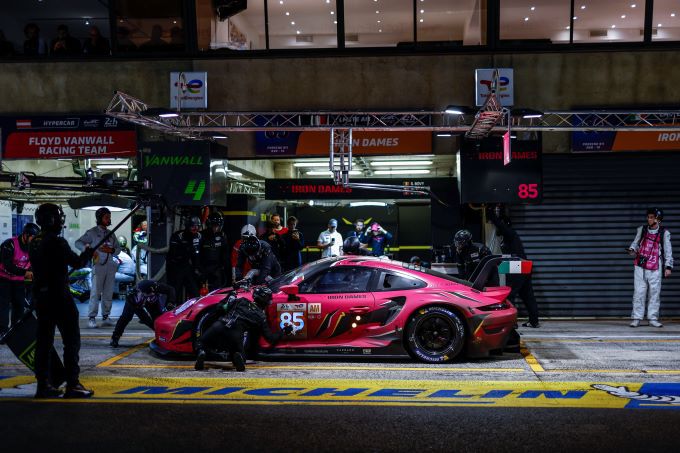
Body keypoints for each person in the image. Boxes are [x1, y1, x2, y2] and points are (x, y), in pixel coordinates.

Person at [29, 203, 94, 398]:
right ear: (52, 220)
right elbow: (77, 262)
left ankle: (43, 385)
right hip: (59, 297)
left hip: (41, 297)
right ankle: (72, 384)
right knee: (71, 341)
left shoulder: (34, 242)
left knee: (44, 342)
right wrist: (88, 254)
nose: (61, 222)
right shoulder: (57, 242)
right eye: (59, 218)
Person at [194, 287, 291, 371]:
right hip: (235, 333)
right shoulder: (261, 317)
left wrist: (228, 297)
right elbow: (270, 338)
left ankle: (202, 352)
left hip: (219, 325)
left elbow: (219, 308)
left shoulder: (241, 301)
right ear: (266, 302)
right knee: (240, 357)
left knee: (200, 343)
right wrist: (283, 331)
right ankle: (237, 355)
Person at [487, 205, 540, 328]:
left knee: (509, 294)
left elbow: (500, 226)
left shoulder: (510, 233)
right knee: (527, 294)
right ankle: (534, 321)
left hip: (518, 265)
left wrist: (491, 214)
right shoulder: (508, 237)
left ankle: (511, 322)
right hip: (523, 265)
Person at [627, 207, 673, 328]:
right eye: (648, 217)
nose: (649, 219)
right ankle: (636, 318)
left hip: (655, 266)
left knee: (654, 293)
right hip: (640, 266)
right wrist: (632, 249)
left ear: (658, 219)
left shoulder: (664, 233)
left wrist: (668, 267)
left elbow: (668, 251)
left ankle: (653, 318)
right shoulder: (642, 230)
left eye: (651, 217)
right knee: (639, 292)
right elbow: (635, 243)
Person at [76, 207, 121, 329]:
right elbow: (78, 243)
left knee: (108, 292)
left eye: (109, 217)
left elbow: (118, 249)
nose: (109, 219)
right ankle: (92, 318)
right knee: (95, 293)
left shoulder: (111, 234)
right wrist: (88, 250)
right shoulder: (92, 232)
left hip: (110, 266)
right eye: (106, 217)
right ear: (99, 218)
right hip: (98, 266)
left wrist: (111, 250)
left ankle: (106, 316)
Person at [110, 280, 175, 347]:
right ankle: (115, 337)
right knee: (126, 317)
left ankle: (164, 337)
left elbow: (171, 289)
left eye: (153, 292)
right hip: (136, 305)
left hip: (152, 303)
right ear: (142, 293)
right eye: (149, 294)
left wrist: (170, 302)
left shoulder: (156, 287)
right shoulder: (132, 297)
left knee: (158, 318)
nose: (152, 294)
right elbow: (143, 316)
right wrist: (150, 323)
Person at [0, 223, 40, 334]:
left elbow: (34, 264)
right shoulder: (10, 244)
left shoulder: (33, 248)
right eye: (32, 237)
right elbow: (7, 264)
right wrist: (25, 272)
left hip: (19, 281)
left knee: (19, 306)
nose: (34, 240)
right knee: (3, 306)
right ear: (25, 235)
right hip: (4, 279)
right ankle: (2, 332)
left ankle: (15, 331)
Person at [166, 216, 202, 302]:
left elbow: (197, 255)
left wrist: (198, 269)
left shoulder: (199, 236)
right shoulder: (178, 236)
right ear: (188, 226)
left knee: (195, 293)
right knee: (174, 293)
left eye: (197, 226)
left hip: (187, 266)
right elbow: (174, 254)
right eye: (193, 226)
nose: (195, 229)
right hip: (175, 267)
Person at [199, 212, 229, 290]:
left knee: (216, 290)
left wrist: (225, 267)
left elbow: (225, 253)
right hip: (203, 268)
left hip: (216, 268)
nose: (216, 228)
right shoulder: (201, 236)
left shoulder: (222, 235)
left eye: (217, 226)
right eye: (214, 226)